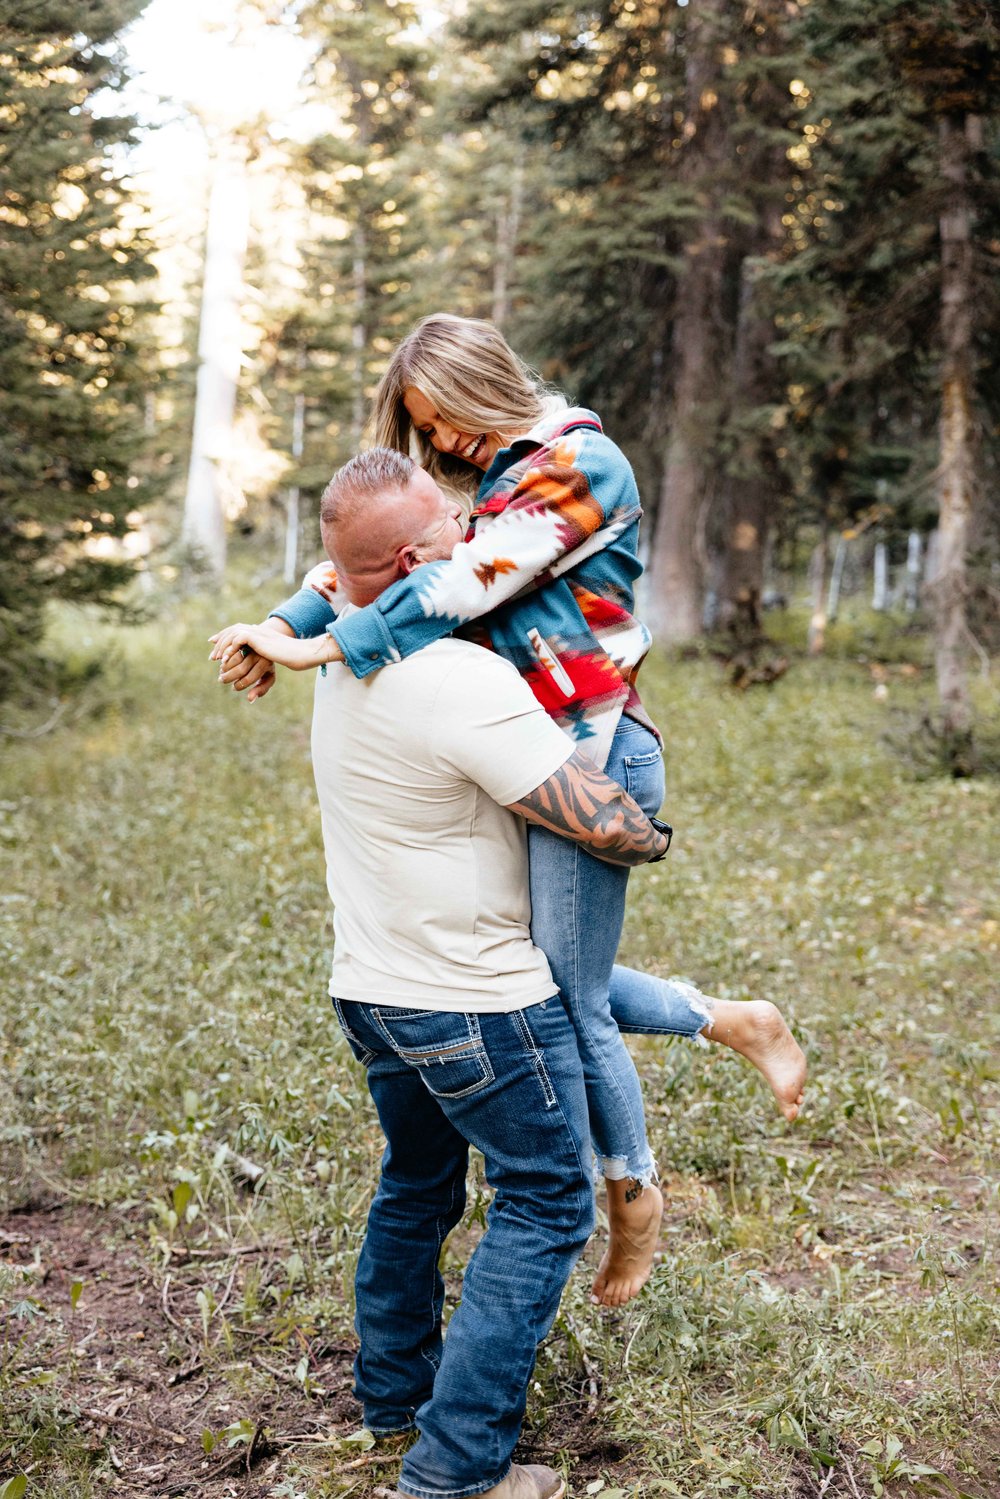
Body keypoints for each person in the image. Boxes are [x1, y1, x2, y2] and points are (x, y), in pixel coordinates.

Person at [212, 313, 807, 1307]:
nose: (441, 444)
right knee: (539, 978)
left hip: (593, 759)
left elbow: (459, 580)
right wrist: (279, 622)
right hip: (525, 760)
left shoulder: (581, 466)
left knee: (563, 1001)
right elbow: (371, 557)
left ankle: (633, 1196)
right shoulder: (483, 484)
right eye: (425, 428)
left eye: (445, 419)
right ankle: (731, 1018)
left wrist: (332, 644)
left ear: (487, 385)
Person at [224, 448, 673, 1499]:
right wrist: (647, 823)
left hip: (371, 984)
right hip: (474, 1001)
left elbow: (327, 599)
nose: (476, 540)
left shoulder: (338, 649)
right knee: (546, 1202)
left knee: (419, 1181)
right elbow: (594, 819)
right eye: (453, 531)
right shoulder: (460, 680)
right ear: (415, 558)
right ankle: (456, 1466)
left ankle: (393, 1394)